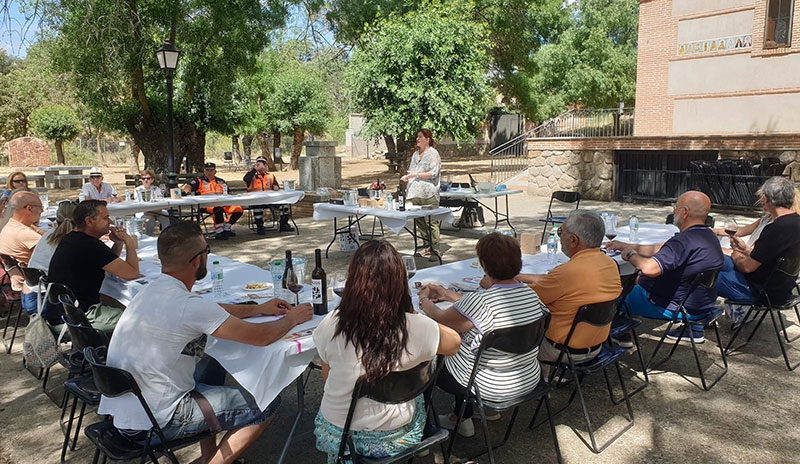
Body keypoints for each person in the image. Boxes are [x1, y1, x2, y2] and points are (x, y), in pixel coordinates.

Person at [98, 221, 313, 464]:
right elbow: (262, 337)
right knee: (267, 405)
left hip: (126, 413)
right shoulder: (188, 305)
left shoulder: (151, 289)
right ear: (197, 261)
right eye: (207, 251)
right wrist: (294, 318)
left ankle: (208, 456)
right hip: (158, 419)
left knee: (210, 367)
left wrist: (256, 309)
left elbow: (211, 310)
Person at [313, 240, 460, 462]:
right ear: (400, 282)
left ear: (353, 281)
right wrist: (413, 312)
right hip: (395, 435)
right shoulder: (416, 326)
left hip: (339, 433)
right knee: (419, 395)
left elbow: (328, 378)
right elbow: (454, 343)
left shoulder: (332, 323)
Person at [419, 233, 548, 437]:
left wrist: (424, 301)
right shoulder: (530, 294)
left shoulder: (481, 301)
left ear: (484, 265)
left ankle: (424, 431)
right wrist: (446, 294)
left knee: (425, 359)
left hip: (489, 385)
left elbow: (441, 317)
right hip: (528, 377)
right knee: (471, 352)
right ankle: (461, 418)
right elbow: (473, 312)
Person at [607, 191, 724, 343]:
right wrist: (625, 246)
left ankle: (610, 336)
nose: (674, 211)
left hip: (676, 307)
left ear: (684, 212)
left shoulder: (684, 241)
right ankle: (622, 332)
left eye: (676, 207)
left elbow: (649, 269)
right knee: (634, 281)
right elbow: (660, 249)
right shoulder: (708, 236)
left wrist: (630, 255)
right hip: (702, 305)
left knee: (609, 291)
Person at [516, 210, 622, 362]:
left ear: (573, 240)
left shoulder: (565, 273)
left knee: (507, 334)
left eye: (560, 232)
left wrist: (497, 282)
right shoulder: (610, 264)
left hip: (560, 351)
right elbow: (552, 282)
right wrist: (518, 276)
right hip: (597, 345)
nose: (559, 238)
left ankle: (530, 380)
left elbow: (523, 300)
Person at [47, 199, 139, 332]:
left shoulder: (72, 238)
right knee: (140, 318)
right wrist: (129, 242)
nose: (110, 222)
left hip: (61, 312)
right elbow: (132, 273)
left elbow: (107, 262)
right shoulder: (90, 246)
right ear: (89, 221)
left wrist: (118, 243)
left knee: (123, 304)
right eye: (106, 218)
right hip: (78, 317)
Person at [716, 176, 800, 305]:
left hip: (760, 292)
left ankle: (697, 318)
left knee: (702, 271)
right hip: (782, 289)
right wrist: (744, 249)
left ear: (765, 199)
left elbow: (746, 267)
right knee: (713, 259)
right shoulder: (794, 223)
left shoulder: (775, 229)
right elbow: (767, 256)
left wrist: (736, 252)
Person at [0, 191, 46, 314]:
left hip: (27, 285)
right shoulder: (24, 233)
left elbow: (47, 237)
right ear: (29, 208)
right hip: (39, 292)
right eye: (40, 208)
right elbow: (57, 250)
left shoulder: (12, 225)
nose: (42, 211)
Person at [401, 129, 442, 261]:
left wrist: (416, 175)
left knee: (431, 222)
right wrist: (408, 176)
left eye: (420, 137)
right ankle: (426, 246)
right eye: (417, 137)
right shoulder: (415, 154)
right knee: (419, 221)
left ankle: (435, 249)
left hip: (429, 193)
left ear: (427, 139)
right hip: (415, 193)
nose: (417, 139)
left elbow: (434, 173)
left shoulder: (433, 154)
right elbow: (412, 170)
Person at [183, 162, 243, 240]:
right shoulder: (199, 181)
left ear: (215, 171)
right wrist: (186, 192)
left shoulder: (221, 181)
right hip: (206, 205)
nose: (209, 172)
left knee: (238, 209)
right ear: (204, 171)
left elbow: (228, 192)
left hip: (224, 203)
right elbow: (188, 187)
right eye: (207, 170)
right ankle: (219, 231)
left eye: (211, 170)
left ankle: (227, 227)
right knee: (217, 209)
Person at [243, 156, 294, 234]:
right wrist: (255, 170)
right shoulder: (252, 175)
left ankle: (283, 224)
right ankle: (259, 226)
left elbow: (276, 186)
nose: (261, 166)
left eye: (263, 164)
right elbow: (246, 179)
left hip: (270, 200)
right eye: (259, 164)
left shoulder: (270, 176)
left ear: (266, 165)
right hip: (257, 200)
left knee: (284, 206)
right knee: (258, 208)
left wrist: (276, 187)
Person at [29, 200, 78, 273]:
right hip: (53, 281)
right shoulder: (77, 241)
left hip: (36, 279)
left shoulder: (48, 235)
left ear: (57, 219)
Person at [134, 168, 170, 235]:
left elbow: (161, 200)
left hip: (157, 211)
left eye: (148, 178)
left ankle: (165, 235)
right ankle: (148, 236)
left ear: (152, 180)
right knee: (150, 220)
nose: (146, 180)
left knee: (166, 216)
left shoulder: (156, 189)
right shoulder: (138, 190)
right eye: (143, 179)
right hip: (144, 212)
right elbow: (138, 202)